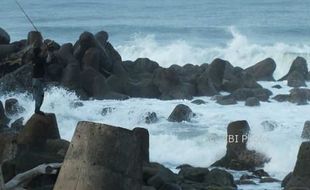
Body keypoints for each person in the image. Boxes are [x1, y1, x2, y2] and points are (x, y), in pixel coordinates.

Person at [32, 46, 46, 115]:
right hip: (37, 80)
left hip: (36, 80)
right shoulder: (39, 59)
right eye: (41, 52)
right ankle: (37, 110)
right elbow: (47, 60)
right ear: (39, 53)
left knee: (40, 95)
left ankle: (37, 110)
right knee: (39, 96)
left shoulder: (35, 59)